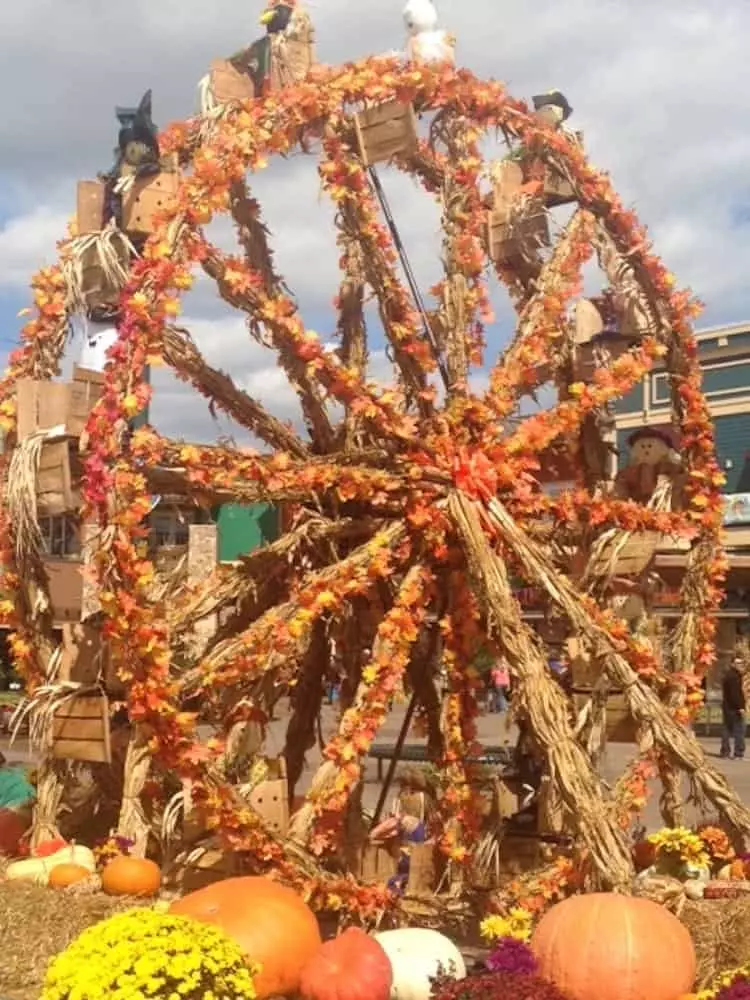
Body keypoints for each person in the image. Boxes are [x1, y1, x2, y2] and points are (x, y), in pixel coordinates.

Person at [721, 657, 746, 760]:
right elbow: (735, 694)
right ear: (732, 664)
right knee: (739, 730)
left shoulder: (728, 675)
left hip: (727, 707)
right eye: (738, 663)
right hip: (734, 708)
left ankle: (725, 752)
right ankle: (738, 753)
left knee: (726, 729)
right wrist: (740, 707)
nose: (740, 665)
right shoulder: (734, 676)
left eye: (741, 663)